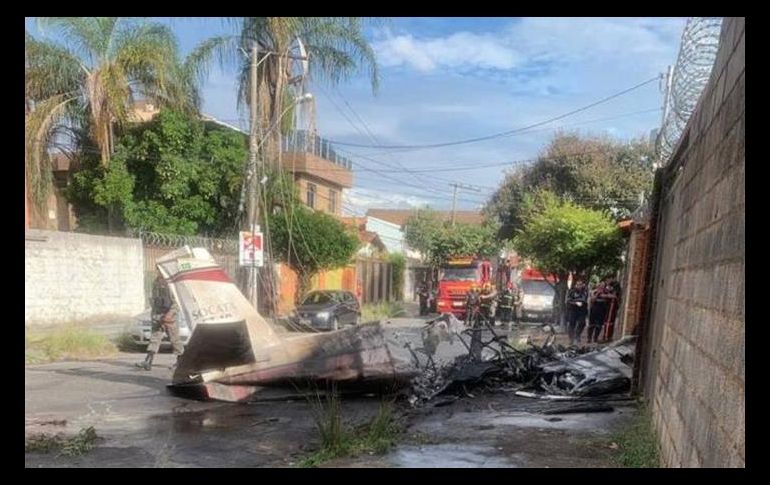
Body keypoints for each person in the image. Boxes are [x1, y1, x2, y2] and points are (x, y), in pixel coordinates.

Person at [136, 273, 183, 370]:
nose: (159, 272)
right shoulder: (155, 283)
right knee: (154, 339)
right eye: (157, 270)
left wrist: (169, 315)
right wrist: (154, 316)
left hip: (170, 317)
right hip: (158, 315)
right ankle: (148, 362)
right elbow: (153, 301)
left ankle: (181, 362)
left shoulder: (171, 284)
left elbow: (177, 303)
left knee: (175, 340)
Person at [566, 279, 589, 345]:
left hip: (582, 310)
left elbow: (586, 300)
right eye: (578, 285)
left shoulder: (585, 291)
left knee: (582, 323)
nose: (579, 286)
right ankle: (571, 339)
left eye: (581, 285)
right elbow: (568, 301)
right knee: (571, 324)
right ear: (576, 285)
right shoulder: (572, 291)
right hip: (573, 310)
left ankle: (577, 334)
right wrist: (575, 303)